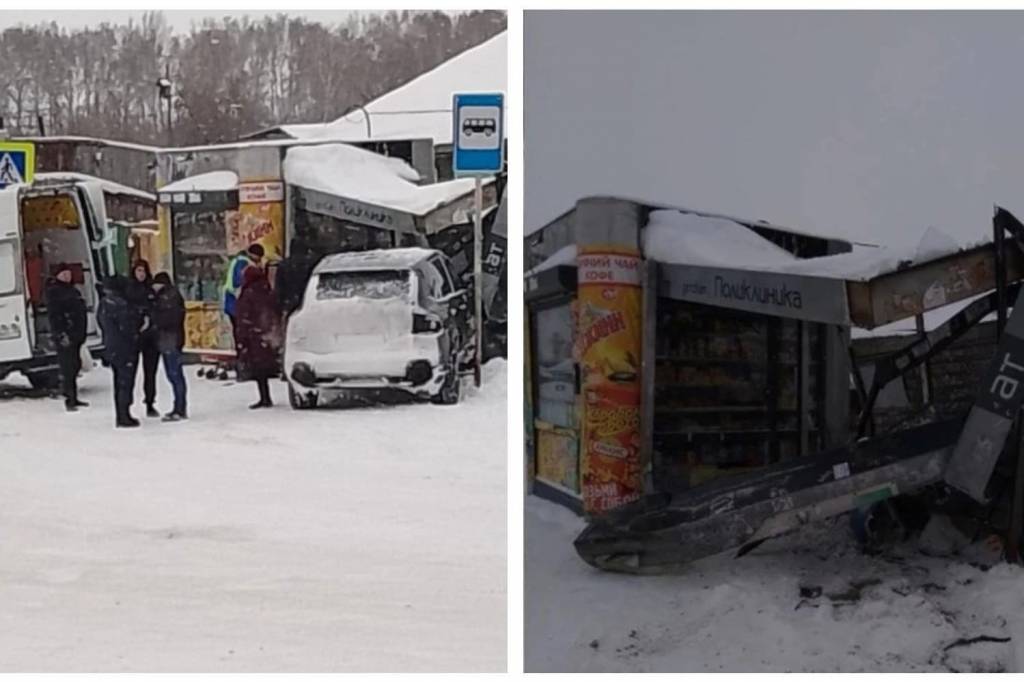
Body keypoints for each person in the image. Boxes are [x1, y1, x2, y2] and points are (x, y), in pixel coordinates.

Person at [98, 275, 144, 428]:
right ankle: (124, 414)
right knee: (125, 382)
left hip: (112, 347)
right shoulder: (121, 304)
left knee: (119, 381)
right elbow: (129, 326)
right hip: (125, 347)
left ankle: (121, 412)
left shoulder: (105, 303)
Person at [234, 265, 282, 409]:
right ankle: (265, 397)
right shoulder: (266, 290)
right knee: (263, 366)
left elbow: (243, 315)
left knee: (258, 368)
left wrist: (242, 335)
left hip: (253, 335)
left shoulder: (248, 293)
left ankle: (264, 398)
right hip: (265, 334)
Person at [45, 263, 88, 411]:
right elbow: (55, 316)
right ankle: (69, 399)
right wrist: (61, 333)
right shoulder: (54, 292)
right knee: (68, 368)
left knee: (75, 365)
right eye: (63, 274)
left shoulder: (72, 290)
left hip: (75, 334)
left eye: (68, 274)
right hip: (65, 335)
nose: (67, 276)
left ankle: (74, 397)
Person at [125, 260, 160, 417]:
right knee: (130, 371)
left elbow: (157, 308)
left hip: (151, 336)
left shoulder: (150, 288)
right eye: (139, 271)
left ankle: (150, 402)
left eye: (143, 271)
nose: (141, 274)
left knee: (150, 372)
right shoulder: (129, 289)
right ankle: (127, 404)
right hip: (134, 335)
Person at [152, 272, 188, 421]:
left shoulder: (168, 298)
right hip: (172, 339)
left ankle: (179, 408)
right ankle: (179, 407)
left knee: (174, 374)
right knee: (174, 374)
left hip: (170, 340)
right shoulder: (172, 296)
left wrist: (155, 320)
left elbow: (168, 319)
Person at [222, 243, 264, 336]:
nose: (260, 260)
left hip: (231, 300)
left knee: (238, 331)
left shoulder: (237, 260)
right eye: (259, 257)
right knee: (242, 331)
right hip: (236, 301)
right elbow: (241, 281)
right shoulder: (244, 263)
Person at [275, 237, 320, 318]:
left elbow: (279, 286)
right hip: (307, 300)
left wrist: (280, 303)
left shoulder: (285, 265)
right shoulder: (312, 263)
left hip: (289, 301)